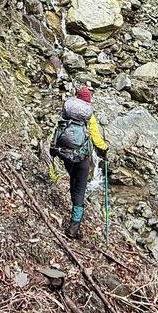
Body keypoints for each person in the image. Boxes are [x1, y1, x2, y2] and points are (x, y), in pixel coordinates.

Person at [49, 85, 108, 238]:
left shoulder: (68, 110)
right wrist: (104, 149)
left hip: (65, 153)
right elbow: (95, 137)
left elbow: (59, 128)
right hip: (81, 157)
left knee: (73, 180)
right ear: (88, 101)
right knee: (80, 189)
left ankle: (75, 203)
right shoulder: (89, 115)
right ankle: (74, 228)